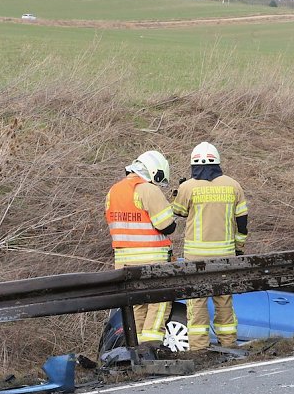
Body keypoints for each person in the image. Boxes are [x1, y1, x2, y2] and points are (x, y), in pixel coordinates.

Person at [171, 142, 248, 351]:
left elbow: (178, 212)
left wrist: (177, 192)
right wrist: (239, 247)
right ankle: (229, 344)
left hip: (196, 257)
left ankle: (198, 348)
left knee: (196, 303)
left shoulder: (188, 187)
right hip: (225, 256)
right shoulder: (233, 185)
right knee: (224, 300)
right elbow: (242, 222)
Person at [105, 150, 176, 346]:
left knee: (136, 307)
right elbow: (167, 226)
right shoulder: (148, 190)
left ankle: (134, 349)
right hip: (152, 262)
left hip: (123, 265)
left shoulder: (113, 191)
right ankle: (151, 348)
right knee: (158, 304)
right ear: (154, 172)